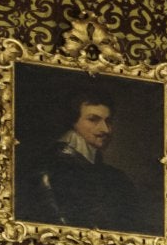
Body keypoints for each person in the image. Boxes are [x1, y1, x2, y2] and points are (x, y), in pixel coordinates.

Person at [19, 91, 148, 233]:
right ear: (72, 122)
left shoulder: (116, 177)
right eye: (93, 119)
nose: (105, 129)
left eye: (108, 121)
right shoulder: (47, 169)